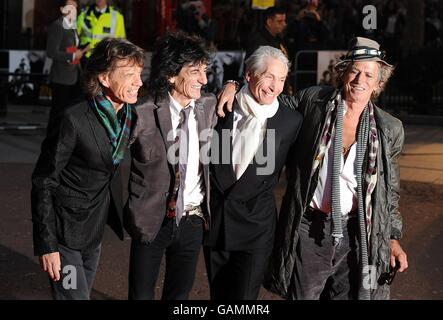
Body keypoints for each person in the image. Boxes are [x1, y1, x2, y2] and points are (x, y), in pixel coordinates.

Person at [218, 37, 408, 300]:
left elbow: (390, 192)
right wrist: (233, 86)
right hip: (310, 229)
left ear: (378, 83)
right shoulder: (314, 102)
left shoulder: (389, 128)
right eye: (354, 71)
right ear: (343, 73)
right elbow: (268, 97)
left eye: (368, 74)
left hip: (358, 235)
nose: (359, 80)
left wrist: (393, 238)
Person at [31, 38, 144, 300]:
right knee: (74, 297)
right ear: (104, 78)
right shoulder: (74, 117)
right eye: (129, 75)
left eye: (139, 73)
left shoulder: (129, 115)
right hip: (64, 231)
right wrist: (47, 244)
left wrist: (231, 87)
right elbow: (44, 180)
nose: (139, 81)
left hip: (95, 227)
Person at [204, 46, 303, 300]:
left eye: (281, 79)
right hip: (217, 223)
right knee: (219, 298)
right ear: (249, 75)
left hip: (256, 229)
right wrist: (229, 84)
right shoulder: (221, 107)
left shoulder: (290, 121)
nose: (275, 87)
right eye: (269, 76)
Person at [124, 32, 217, 300]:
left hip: (193, 220)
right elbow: (110, 159)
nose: (204, 79)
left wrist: (233, 84)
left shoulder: (209, 106)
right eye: (195, 72)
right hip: (151, 219)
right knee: (140, 295)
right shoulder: (142, 111)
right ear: (171, 75)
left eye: (205, 71)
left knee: (179, 297)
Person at [46, 0, 85, 129]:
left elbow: (70, 47)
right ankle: (51, 144)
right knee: (58, 114)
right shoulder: (57, 26)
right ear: (62, 9)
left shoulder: (72, 25)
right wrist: (73, 55)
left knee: (71, 113)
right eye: (70, 7)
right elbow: (51, 52)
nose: (74, 9)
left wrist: (79, 52)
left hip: (75, 75)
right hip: (61, 78)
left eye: (75, 7)